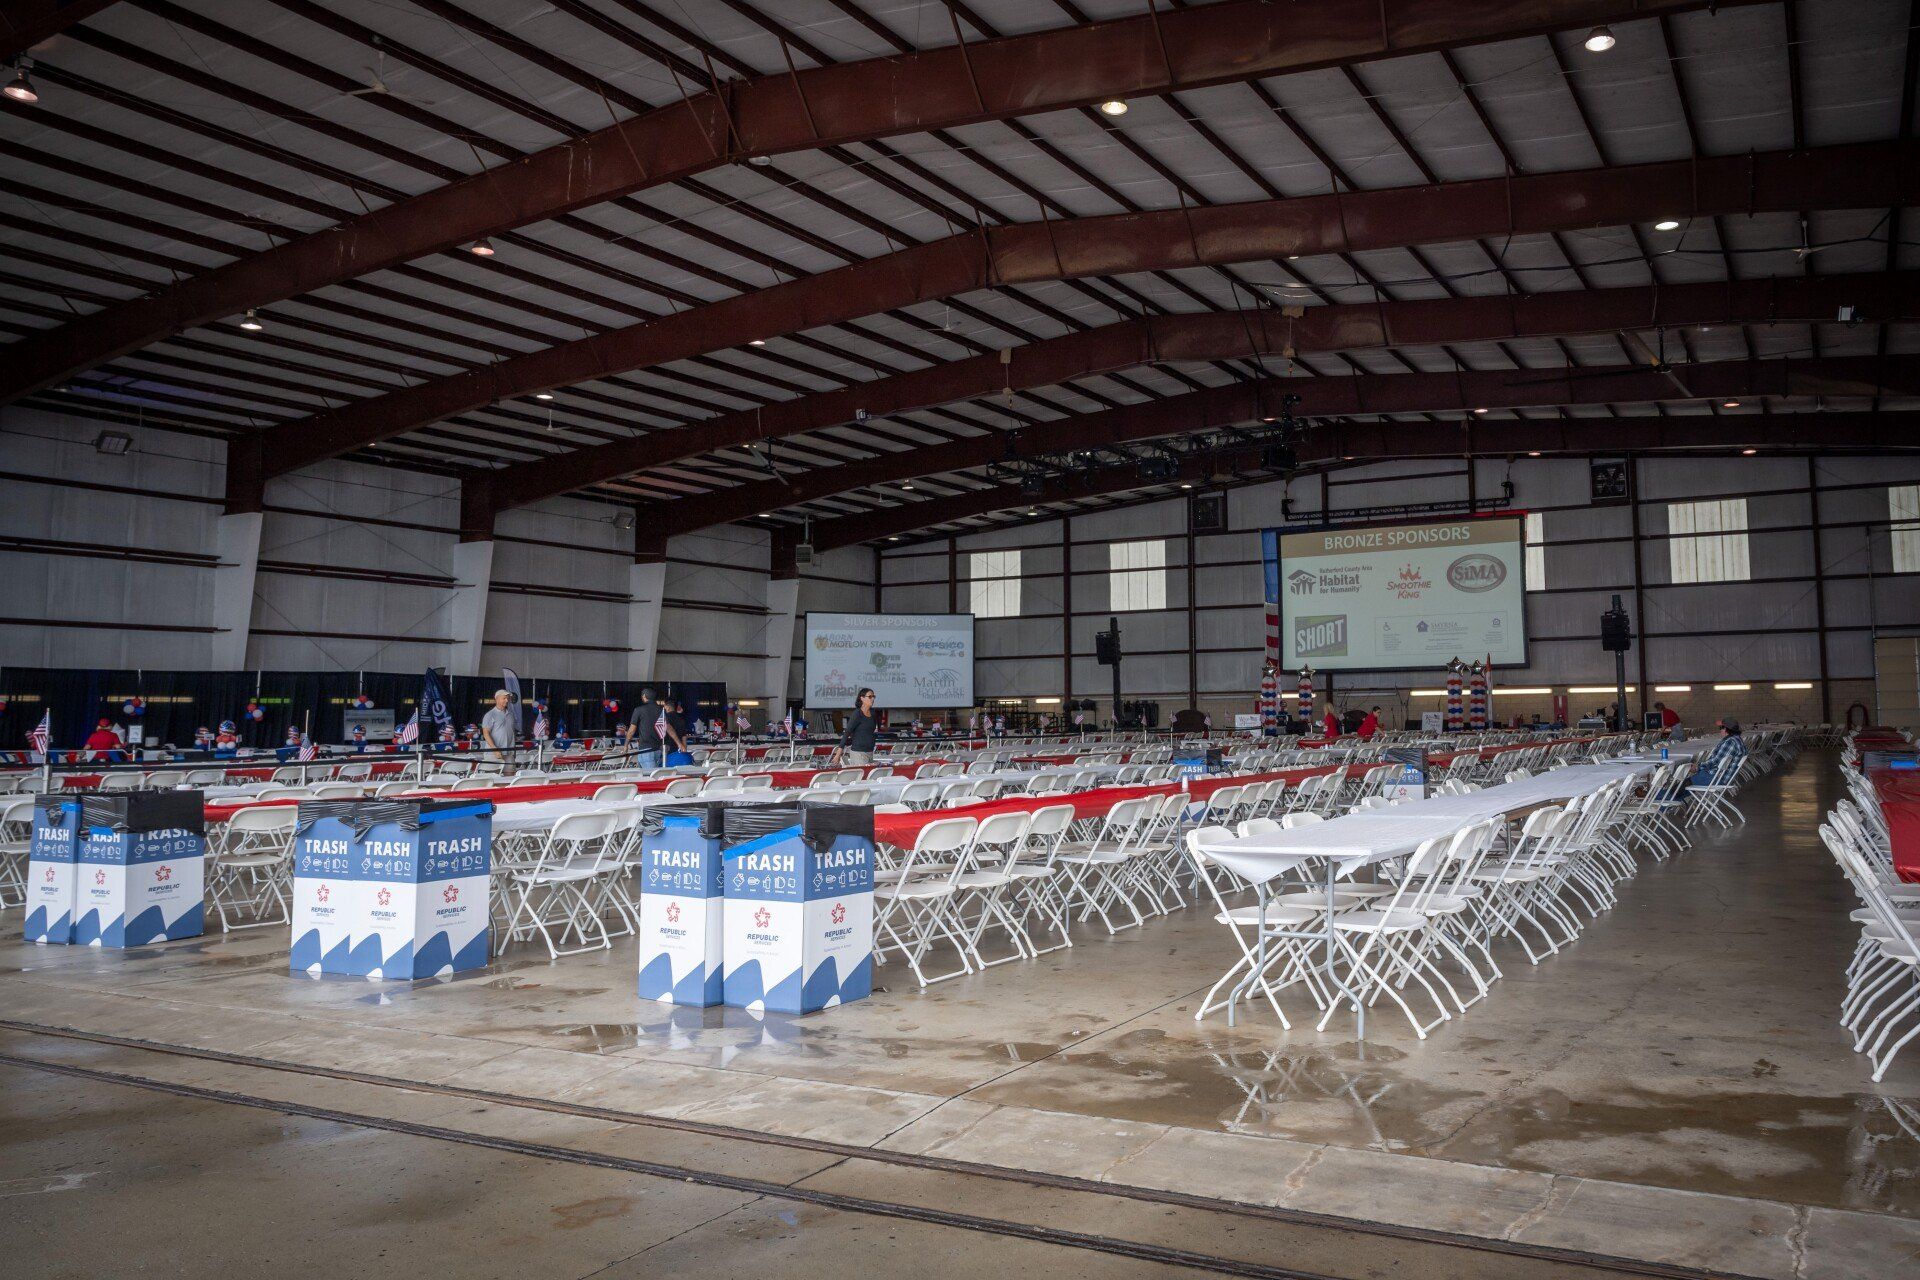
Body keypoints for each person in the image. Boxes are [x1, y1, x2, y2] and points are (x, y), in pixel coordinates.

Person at [1688, 719, 1747, 789]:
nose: (1720, 730)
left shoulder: (1730, 742)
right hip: (1722, 776)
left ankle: (1672, 798)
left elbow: (1716, 761)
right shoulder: (1737, 739)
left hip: (1717, 778)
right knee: (1686, 783)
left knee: (1682, 786)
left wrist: (1697, 767)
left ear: (1727, 729)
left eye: (1721, 728)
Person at [837, 687, 878, 766]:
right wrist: (838, 754)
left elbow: (872, 731)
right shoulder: (857, 714)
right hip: (858, 752)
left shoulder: (873, 713)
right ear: (862, 698)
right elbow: (847, 733)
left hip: (870, 751)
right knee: (862, 776)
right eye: (870, 697)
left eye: (873, 697)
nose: (872, 699)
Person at [628, 688, 666, 767]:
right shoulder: (661, 710)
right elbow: (667, 727)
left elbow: (631, 731)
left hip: (646, 748)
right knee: (655, 773)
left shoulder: (639, 710)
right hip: (658, 748)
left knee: (650, 776)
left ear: (644, 696)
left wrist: (625, 745)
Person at [481, 688, 516, 763]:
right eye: (504, 698)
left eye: (508, 698)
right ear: (497, 699)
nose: (507, 700)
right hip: (494, 753)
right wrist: (494, 749)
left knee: (511, 774)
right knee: (493, 774)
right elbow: (485, 733)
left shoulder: (511, 715)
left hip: (509, 752)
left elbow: (512, 732)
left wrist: (513, 750)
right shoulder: (490, 715)